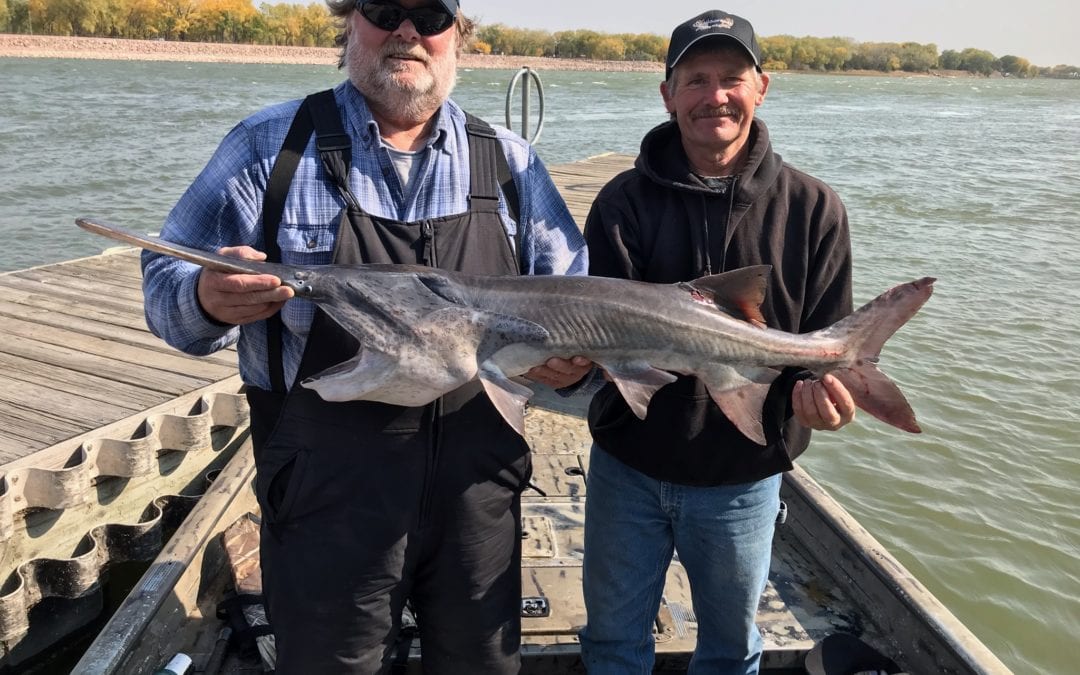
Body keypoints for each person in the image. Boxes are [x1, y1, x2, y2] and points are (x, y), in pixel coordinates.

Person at [141, 0, 591, 672]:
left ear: (456, 36)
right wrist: (206, 297)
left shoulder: (510, 163)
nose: (408, 30)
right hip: (326, 498)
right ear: (350, 22)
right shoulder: (269, 148)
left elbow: (577, 298)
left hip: (478, 494)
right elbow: (164, 286)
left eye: (431, 14)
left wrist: (578, 368)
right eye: (386, 8)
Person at [579, 9, 857, 675]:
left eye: (731, 77)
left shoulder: (816, 209)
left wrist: (824, 397)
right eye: (696, 80)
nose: (715, 96)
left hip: (743, 476)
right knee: (613, 645)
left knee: (732, 652)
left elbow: (828, 348)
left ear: (762, 86)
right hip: (630, 462)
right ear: (668, 94)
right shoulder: (620, 204)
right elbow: (598, 341)